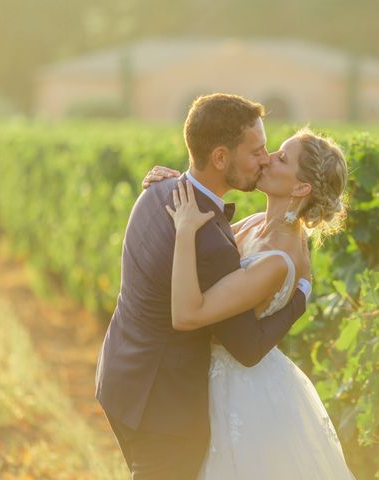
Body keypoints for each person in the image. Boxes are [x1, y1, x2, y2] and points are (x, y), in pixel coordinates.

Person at [95, 93, 312, 480]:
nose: (265, 159)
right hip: (163, 406)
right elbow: (246, 346)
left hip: (120, 378)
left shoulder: (159, 190)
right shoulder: (209, 243)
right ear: (220, 158)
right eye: (258, 151)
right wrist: (301, 296)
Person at [143, 126, 355, 479]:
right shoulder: (259, 222)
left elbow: (190, 311)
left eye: (282, 158)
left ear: (301, 187)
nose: (267, 158)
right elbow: (205, 253)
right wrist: (170, 189)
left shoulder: (278, 259)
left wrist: (182, 229)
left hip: (239, 394)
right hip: (216, 375)